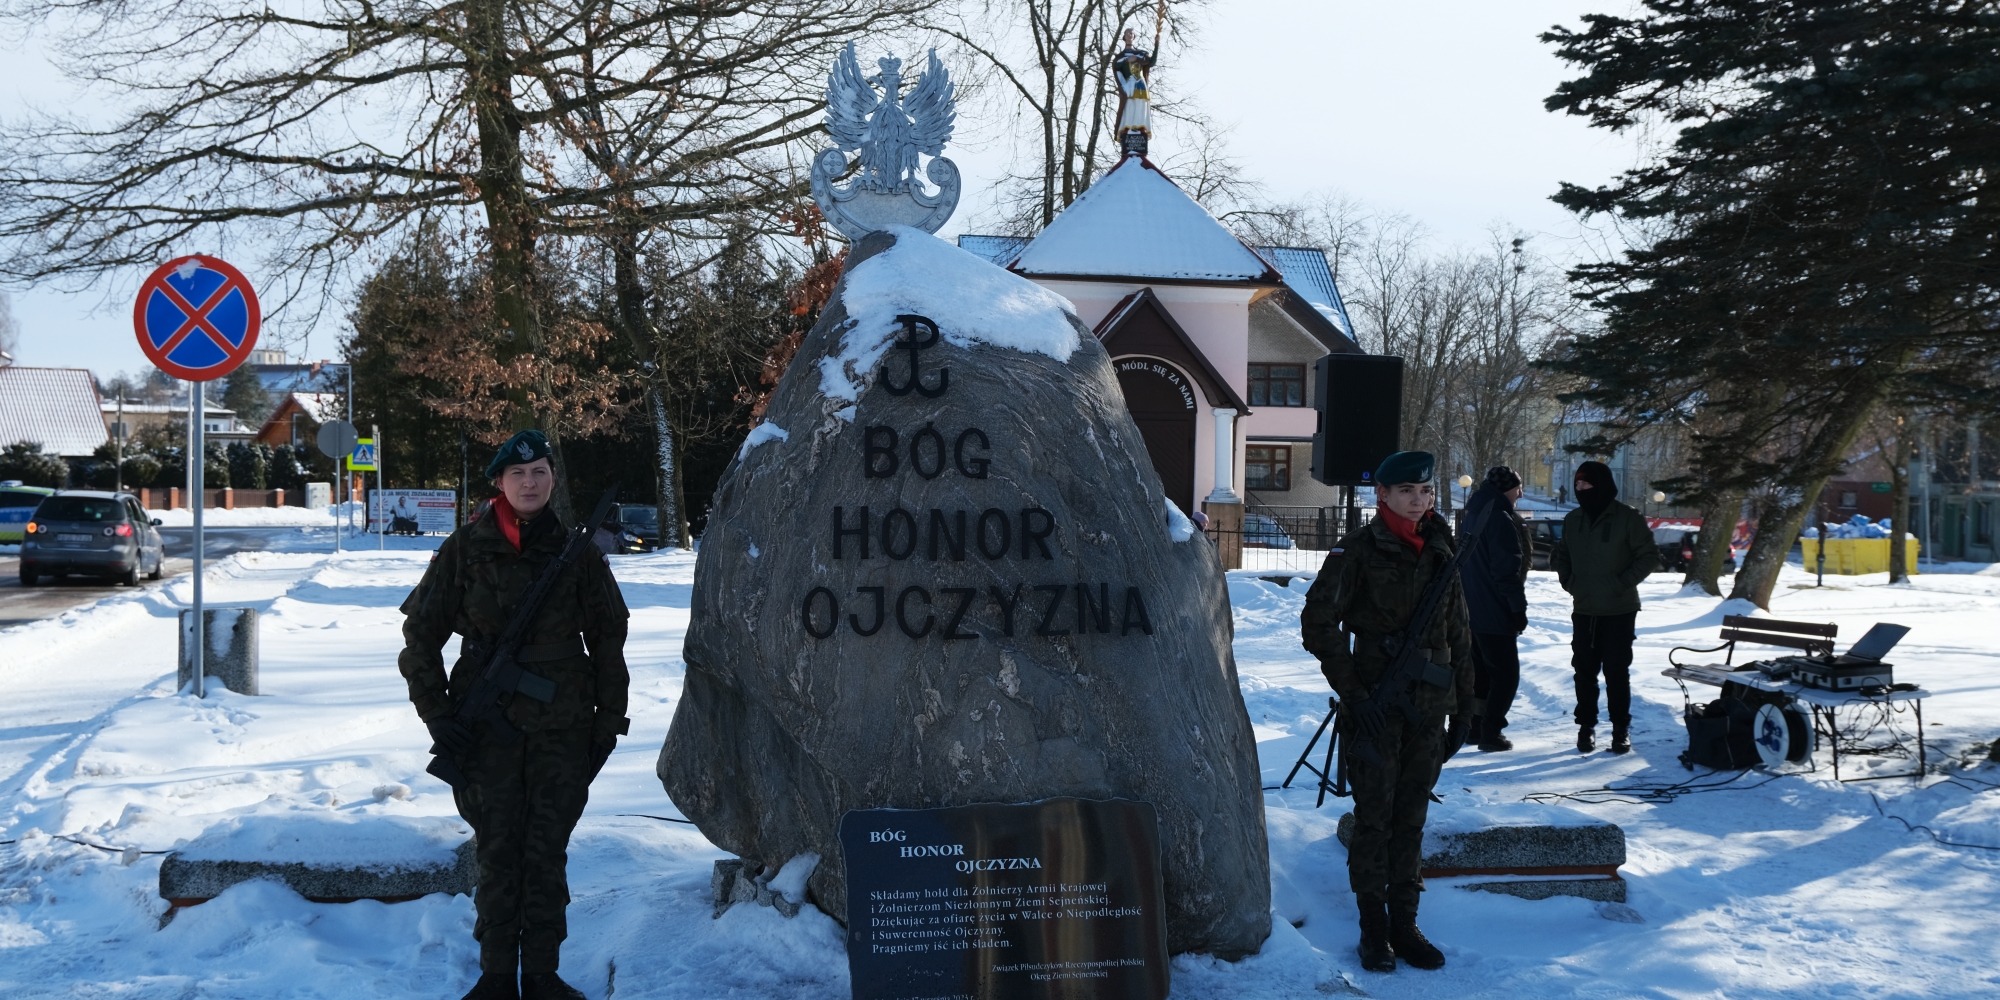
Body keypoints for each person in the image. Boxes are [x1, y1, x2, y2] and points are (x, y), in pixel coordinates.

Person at [398, 430, 632, 1000]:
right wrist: (438, 715)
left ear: (552, 479)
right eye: (518, 475)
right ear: (499, 482)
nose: (530, 483)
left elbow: (608, 641)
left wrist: (607, 723)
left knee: (546, 852)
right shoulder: (464, 548)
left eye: (541, 473)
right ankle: (498, 976)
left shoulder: (576, 553)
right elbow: (418, 638)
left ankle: (545, 976)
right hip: (484, 732)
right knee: (498, 851)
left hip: (563, 728)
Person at [1300, 451, 1473, 974]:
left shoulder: (1443, 548)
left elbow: (1460, 634)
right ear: (1383, 496)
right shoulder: (1357, 551)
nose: (1418, 501)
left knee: (1411, 818)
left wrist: (1467, 709)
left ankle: (1406, 923)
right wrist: (1354, 695)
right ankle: (1374, 928)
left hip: (1427, 711)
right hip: (1376, 707)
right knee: (1374, 821)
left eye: (1424, 492)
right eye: (1406, 492)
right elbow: (1318, 624)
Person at [1553, 461, 1659, 755]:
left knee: (1616, 673)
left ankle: (1620, 729)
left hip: (1618, 611)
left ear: (1601, 485)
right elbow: (1561, 556)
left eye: (1586, 484)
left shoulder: (1627, 518)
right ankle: (1586, 728)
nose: (1580, 489)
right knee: (1583, 672)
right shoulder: (1573, 520)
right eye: (1577, 485)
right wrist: (1569, 581)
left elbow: (1648, 556)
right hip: (1584, 610)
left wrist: (1620, 584)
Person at [1456, 467, 1531, 752]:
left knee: (1481, 673)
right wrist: (1517, 609)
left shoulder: (1474, 514)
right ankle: (1491, 731)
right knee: (1506, 675)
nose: (1520, 494)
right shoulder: (1499, 518)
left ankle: (1475, 727)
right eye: (1517, 488)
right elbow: (1506, 571)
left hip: (1472, 609)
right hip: (1494, 611)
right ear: (1505, 489)